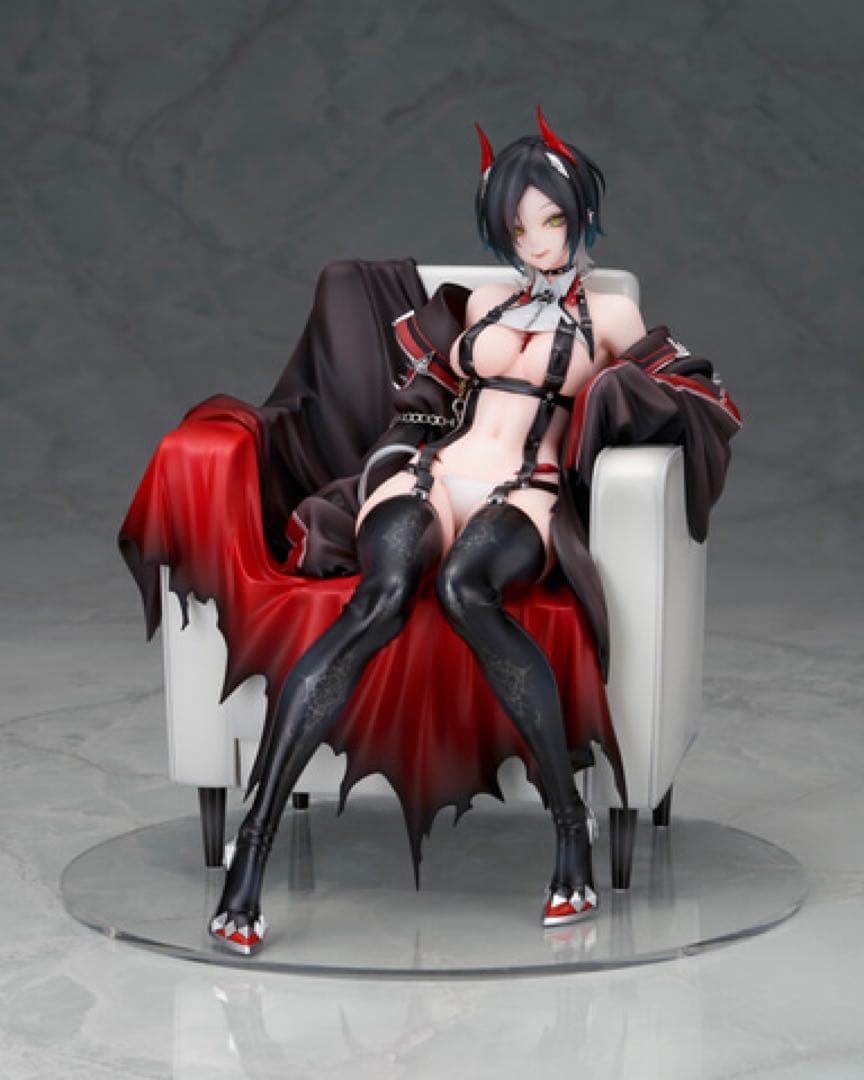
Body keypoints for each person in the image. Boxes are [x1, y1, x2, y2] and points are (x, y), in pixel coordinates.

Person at [209, 108, 652, 955]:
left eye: (551, 221)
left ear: (581, 213)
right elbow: (418, 388)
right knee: (378, 598)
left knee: (464, 590)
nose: (537, 242)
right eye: (517, 228)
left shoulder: (615, 317)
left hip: (525, 489)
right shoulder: (482, 301)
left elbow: (669, 401)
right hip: (434, 475)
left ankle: (570, 830)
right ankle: (253, 843)